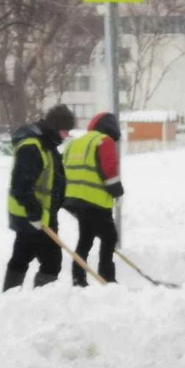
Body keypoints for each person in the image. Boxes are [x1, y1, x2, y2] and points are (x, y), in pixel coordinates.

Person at [2, 104, 75, 292]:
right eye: (64, 131)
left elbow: (51, 180)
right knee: (51, 262)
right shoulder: (33, 147)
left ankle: (10, 296)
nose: (66, 136)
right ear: (53, 127)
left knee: (22, 256)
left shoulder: (47, 144)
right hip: (33, 216)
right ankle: (41, 301)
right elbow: (21, 185)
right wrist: (33, 212)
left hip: (41, 215)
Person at [63, 112, 124, 286]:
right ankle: (107, 277)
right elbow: (110, 170)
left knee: (86, 238)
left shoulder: (75, 143)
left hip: (73, 199)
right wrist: (117, 193)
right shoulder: (104, 141)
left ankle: (78, 278)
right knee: (110, 237)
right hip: (94, 200)